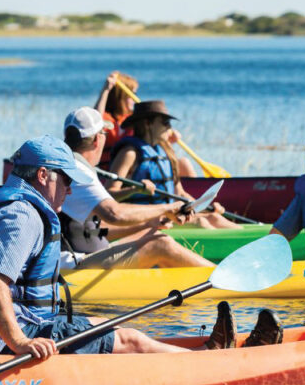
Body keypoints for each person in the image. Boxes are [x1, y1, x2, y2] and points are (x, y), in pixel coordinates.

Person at [0, 136, 282, 358]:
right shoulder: (21, 216)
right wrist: (20, 342)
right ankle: (208, 361)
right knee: (129, 340)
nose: (69, 189)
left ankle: (207, 348)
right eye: (66, 181)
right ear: (43, 175)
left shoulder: (0, 201)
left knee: (102, 324)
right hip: (5, 344)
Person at [60, 107, 213, 269]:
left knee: (155, 234)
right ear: (98, 139)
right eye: (105, 134)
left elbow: (94, 230)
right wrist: (167, 208)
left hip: (87, 253)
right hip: (75, 265)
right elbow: (115, 214)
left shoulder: (70, 166)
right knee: (161, 244)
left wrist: (148, 223)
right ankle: (228, 283)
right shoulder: (77, 171)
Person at [108, 100, 238, 229]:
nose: (169, 128)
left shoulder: (165, 152)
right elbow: (108, 194)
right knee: (201, 223)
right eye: (165, 122)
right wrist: (135, 189)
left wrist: (203, 207)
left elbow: (180, 193)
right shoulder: (129, 153)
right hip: (141, 220)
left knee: (214, 218)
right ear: (148, 123)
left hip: (168, 216)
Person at [94, 71, 196, 175]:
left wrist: (169, 135)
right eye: (132, 94)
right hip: (113, 171)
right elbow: (95, 121)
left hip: (138, 169)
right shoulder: (105, 118)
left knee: (184, 163)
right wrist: (105, 90)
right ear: (121, 96)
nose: (134, 98)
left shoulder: (136, 120)